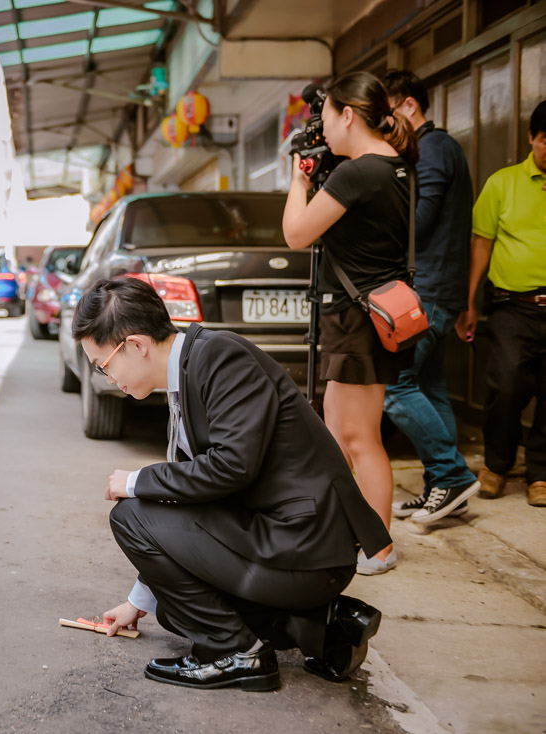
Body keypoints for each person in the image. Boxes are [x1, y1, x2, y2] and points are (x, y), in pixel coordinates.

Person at [76, 276, 390, 692]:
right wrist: (139, 603)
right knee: (175, 610)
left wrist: (136, 481)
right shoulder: (190, 368)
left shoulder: (220, 357)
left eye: (103, 364)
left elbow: (231, 467)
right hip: (283, 542)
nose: (106, 376)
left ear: (135, 344)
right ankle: (323, 628)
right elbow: (193, 498)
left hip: (306, 547)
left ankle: (235, 653)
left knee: (131, 515)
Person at [281, 71, 418, 575]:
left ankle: (379, 548)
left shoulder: (358, 173)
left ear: (346, 114)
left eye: (327, 117)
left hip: (358, 319)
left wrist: (299, 180)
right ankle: (349, 531)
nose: (324, 130)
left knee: (360, 437)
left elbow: (296, 233)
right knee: (339, 430)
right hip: (363, 314)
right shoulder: (395, 165)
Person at [377, 70, 480, 523]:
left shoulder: (435, 147)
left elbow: (418, 222)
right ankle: (443, 486)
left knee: (395, 384)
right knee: (430, 385)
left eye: (387, 111)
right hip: (438, 288)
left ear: (409, 106)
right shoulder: (440, 147)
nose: (384, 123)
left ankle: (450, 474)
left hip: (431, 290)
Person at [458, 99, 546, 506]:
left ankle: (540, 473)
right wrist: (470, 300)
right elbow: (481, 243)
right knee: (506, 386)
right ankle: (496, 463)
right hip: (513, 305)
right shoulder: (503, 183)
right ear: (531, 138)